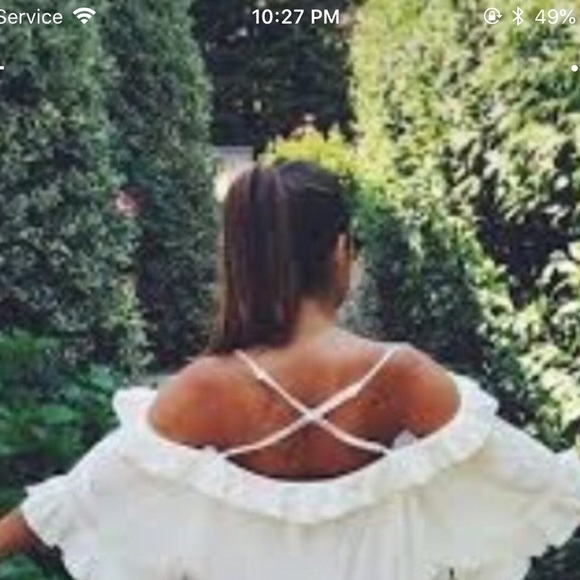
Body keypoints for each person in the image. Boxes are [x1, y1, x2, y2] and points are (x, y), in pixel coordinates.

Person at [1, 161, 579, 580]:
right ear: (340, 250)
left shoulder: (204, 387)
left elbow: (72, 503)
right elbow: (536, 479)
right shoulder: (401, 375)